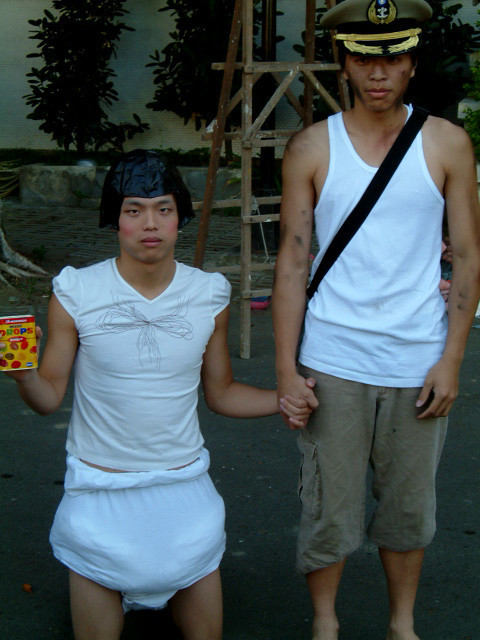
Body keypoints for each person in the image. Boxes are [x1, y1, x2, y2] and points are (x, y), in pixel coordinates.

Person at [2, 149, 312, 640]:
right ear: (116, 219)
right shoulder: (76, 291)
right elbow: (48, 397)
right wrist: (24, 376)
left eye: (163, 209)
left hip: (183, 494)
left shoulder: (208, 294)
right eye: (134, 210)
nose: (150, 223)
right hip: (99, 498)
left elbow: (222, 393)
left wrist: (285, 398)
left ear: (179, 217)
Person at [272, 0, 480, 638]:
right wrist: (285, 370)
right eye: (364, 59)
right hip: (333, 358)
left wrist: (452, 360)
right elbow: (292, 262)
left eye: (393, 57)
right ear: (343, 64)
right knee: (328, 507)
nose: (379, 72)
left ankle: (402, 625)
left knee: (409, 510)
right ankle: (326, 624)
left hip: (418, 359)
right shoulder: (312, 147)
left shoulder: (447, 143)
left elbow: (469, 255)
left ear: (412, 62)